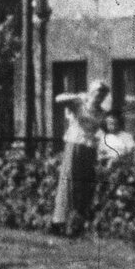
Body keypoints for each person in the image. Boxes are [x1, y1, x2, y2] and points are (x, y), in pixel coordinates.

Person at [52, 80, 111, 238]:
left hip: (90, 149)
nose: (100, 96)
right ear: (91, 91)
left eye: (103, 94)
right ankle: (61, 222)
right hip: (75, 146)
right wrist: (77, 96)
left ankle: (78, 224)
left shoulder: (102, 113)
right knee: (69, 182)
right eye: (98, 92)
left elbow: (105, 132)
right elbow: (58, 99)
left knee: (84, 184)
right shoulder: (79, 105)